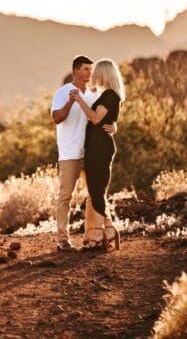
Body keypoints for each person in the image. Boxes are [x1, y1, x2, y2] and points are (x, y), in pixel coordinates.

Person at [73, 58, 124, 252]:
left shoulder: (110, 95)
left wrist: (79, 101)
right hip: (96, 147)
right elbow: (108, 120)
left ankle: (108, 230)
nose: (92, 76)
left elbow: (95, 119)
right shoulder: (108, 95)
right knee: (95, 192)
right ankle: (96, 235)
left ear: (104, 74)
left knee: (96, 191)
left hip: (100, 148)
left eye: (96, 73)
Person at [50, 55, 100, 251]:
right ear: (75, 71)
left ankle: (91, 237)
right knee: (65, 196)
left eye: (91, 69)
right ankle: (63, 239)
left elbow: (100, 117)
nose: (90, 72)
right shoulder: (62, 93)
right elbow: (57, 118)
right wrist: (71, 102)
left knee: (95, 194)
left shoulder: (94, 94)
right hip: (70, 152)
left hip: (90, 152)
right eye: (86, 69)